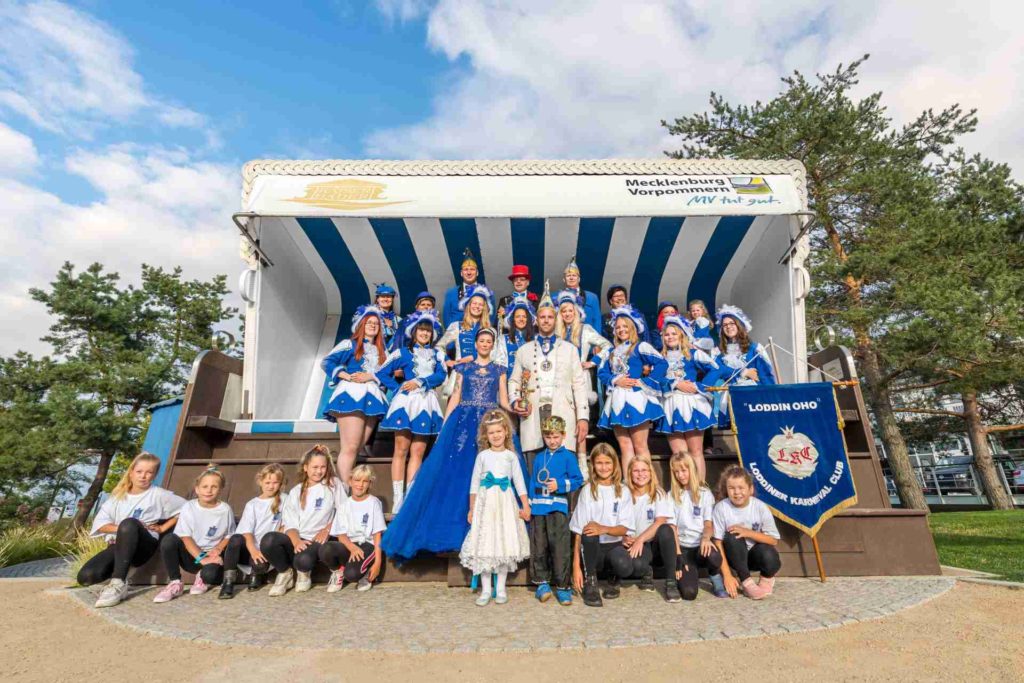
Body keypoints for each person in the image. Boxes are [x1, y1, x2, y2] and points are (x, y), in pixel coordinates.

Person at [382, 327, 517, 563]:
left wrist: (517, 410)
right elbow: (455, 395)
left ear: (493, 345)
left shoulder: (500, 370)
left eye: (489, 341)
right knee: (456, 474)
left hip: (488, 422)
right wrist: (446, 425)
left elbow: (504, 400)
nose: (485, 344)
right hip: (463, 422)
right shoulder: (463, 367)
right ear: (476, 344)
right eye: (482, 341)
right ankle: (452, 532)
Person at [77, 452, 185, 608]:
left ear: (154, 475)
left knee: (129, 524)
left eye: (149, 473)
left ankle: (118, 584)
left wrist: (163, 527)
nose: (143, 476)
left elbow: (189, 508)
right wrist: (123, 530)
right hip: (118, 546)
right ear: (131, 472)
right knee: (86, 577)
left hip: (144, 547)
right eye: (139, 472)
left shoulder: (159, 495)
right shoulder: (117, 497)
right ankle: (121, 576)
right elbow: (101, 524)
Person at [508, 285, 590, 471]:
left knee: (562, 469)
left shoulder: (570, 350)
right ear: (537, 320)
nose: (546, 321)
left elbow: (579, 385)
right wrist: (516, 401)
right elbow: (514, 381)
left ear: (556, 319)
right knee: (534, 467)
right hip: (533, 412)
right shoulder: (523, 350)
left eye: (550, 317)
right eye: (543, 317)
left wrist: (583, 417)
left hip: (562, 410)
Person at [376, 311, 448, 514]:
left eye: (428, 330)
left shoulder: (437, 355)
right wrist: (397, 387)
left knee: (418, 451)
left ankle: (410, 496)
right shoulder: (402, 353)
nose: (425, 333)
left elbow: (441, 375)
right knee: (401, 449)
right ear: (414, 331)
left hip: (427, 402)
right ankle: (398, 496)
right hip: (407, 403)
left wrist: (421, 382)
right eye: (422, 330)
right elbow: (382, 372)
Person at [460, 410, 531, 606]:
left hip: (505, 503)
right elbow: (474, 484)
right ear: (486, 435)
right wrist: (472, 508)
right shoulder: (483, 456)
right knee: (485, 543)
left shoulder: (511, 457)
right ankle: (485, 589)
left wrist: (525, 505)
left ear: (506, 432)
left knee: (503, 542)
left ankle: (500, 588)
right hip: (486, 503)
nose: (496, 436)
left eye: (499, 431)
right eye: (491, 433)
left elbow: (519, 483)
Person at [260, 445, 348, 596]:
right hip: (297, 538)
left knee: (303, 561)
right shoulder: (296, 491)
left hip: (315, 539)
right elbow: (290, 523)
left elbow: (344, 510)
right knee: (269, 540)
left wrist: (327, 529)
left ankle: (304, 573)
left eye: (323, 467)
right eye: (314, 467)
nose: (319, 471)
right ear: (305, 467)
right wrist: (296, 542)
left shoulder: (332, 484)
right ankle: (285, 573)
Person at [322, 305, 389, 483]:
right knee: (350, 447)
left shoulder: (383, 351)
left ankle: (351, 489)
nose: (373, 325)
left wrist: (372, 376)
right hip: (352, 394)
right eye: (369, 322)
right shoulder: (349, 344)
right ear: (361, 324)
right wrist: (345, 375)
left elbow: (388, 374)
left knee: (359, 446)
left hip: (373, 398)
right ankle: (342, 493)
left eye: (376, 323)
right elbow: (327, 362)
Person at [597, 305, 667, 474]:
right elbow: (602, 373)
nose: (621, 330)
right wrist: (616, 380)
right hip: (617, 401)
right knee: (625, 446)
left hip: (637, 399)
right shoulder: (611, 352)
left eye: (625, 326)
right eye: (618, 327)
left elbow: (662, 363)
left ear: (633, 327)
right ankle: (629, 486)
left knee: (640, 446)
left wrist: (645, 382)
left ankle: (646, 485)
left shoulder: (641, 346)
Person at [153, 466, 235, 603]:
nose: (209, 490)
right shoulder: (189, 507)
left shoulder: (225, 510)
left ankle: (201, 578)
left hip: (211, 556)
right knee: (169, 540)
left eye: (214, 487)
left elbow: (229, 535)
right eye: (205, 486)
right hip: (193, 556)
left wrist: (218, 549)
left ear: (221, 489)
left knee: (211, 576)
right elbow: (185, 537)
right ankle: (175, 582)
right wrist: (202, 558)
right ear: (197, 489)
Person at [527, 415, 584, 606]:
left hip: (558, 507)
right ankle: (542, 583)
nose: (552, 441)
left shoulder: (568, 456)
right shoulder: (538, 458)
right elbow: (533, 482)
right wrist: (529, 504)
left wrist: (558, 484)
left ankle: (562, 586)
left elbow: (577, 480)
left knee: (560, 547)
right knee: (539, 546)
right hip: (539, 508)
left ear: (563, 436)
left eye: (556, 437)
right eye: (548, 437)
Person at [571, 443, 635, 608]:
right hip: (593, 548)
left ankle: (613, 578)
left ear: (615, 464)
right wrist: (575, 567)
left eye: (608, 463)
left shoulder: (623, 490)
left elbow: (624, 527)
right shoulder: (587, 490)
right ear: (593, 464)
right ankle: (591, 582)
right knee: (589, 532)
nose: (604, 467)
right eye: (599, 463)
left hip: (614, 545)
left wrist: (604, 528)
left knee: (625, 566)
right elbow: (578, 532)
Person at [658, 315, 720, 482]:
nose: (670, 337)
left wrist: (700, 387)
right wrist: (675, 384)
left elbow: (716, 369)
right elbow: (656, 380)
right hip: (671, 406)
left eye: (674, 334)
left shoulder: (693, 354)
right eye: (667, 334)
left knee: (696, 452)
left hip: (692, 404)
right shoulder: (659, 358)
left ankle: (699, 490)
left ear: (681, 336)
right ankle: (683, 493)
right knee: (679, 455)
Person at [218, 463, 288, 598]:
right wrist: (253, 550)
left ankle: (256, 575)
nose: (271, 486)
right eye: (267, 482)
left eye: (275, 482)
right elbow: (246, 531)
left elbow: (284, 526)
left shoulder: (285, 499)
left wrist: (265, 549)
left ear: (280, 484)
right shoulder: (252, 504)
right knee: (235, 539)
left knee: (260, 565)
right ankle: (228, 581)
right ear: (260, 482)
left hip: (267, 549)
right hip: (250, 549)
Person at [713, 465, 782, 600]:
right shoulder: (721, 508)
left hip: (753, 556)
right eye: (731, 488)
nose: (737, 492)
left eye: (741, 488)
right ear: (726, 490)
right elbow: (717, 542)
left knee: (769, 553)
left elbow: (774, 540)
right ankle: (746, 582)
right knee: (732, 533)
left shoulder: (760, 507)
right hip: (734, 558)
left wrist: (748, 533)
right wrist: (727, 575)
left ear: (750, 489)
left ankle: (767, 579)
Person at [319, 464, 387, 593]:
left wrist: (377, 563)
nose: (360, 485)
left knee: (352, 575)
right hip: (350, 545)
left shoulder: (374, 503)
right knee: (325, 548)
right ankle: (338, 572)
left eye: (365, 481)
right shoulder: (344, 505)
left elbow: (377, 535)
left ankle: (366, 576)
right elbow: (341, 535)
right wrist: (352, 547)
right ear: (350, 481)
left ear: (370, 484)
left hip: (367, 545)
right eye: (357, 480)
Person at [668, 451, 725, 600]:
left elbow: (708, 523)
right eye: (676, 472)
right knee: (689, 593)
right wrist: (678, 554)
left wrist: (706, 538)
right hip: (683, 548)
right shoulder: (671, 495)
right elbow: (672, 527)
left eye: (684, 470)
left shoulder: (705, 493)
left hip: (700, 545)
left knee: (714, 557)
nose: (680, 475)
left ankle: (714, 575)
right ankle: (688, 575)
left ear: (692, 469)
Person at [623, 456, 680, 602]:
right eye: (636, 471)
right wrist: (623, 537)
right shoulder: (623, 493)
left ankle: (671, 582)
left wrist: (641, 539)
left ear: (650, 472)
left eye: (644, 470)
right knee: (636, 566)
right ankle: (646, 571)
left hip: (652, 543)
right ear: (629, 473)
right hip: (631, 541)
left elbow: (660, 521)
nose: (640, 474)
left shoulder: (658, 493)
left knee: (666, 529)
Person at [712, 305, 777, 429]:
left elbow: (765, 376)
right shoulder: (717, 352)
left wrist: (771, 399)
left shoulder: (755, 348)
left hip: (754, 396)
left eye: (731, 323)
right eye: (724, 325)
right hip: (730, 397)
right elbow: (719, 372)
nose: (728, 327)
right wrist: (744, 372)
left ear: (739, 325)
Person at [436, 283, 494, 399]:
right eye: (474, 303)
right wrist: (447, 360)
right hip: (460, 375)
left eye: (480, 304)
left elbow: (495, 354)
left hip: (483, 376)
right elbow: (439, 346)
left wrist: (472, 358)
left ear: (485, 308)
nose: (477, 306)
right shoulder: (456, 326)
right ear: (468, 305)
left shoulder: (491, 330)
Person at [554, 288, 610, 407]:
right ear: (560, 314)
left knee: (581, 414)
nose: (568, 314)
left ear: (576, 312)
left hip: (580, 378)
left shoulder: (585, 329)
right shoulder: (556, 333)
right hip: (560, 379)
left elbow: (608, 346)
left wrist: (593, 362)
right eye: (564, 311)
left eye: (570, 310)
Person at [442, 248, 496, 326]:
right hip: (456, 335)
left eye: (472, 269)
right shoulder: (451, 293)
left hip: (479, 335)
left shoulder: (488, 293)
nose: (469, 272)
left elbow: (491, 318)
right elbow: (446, 320)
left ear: (477, 273)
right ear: (461, 273)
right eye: (466, 269)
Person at [495, 299, 536, 377]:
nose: (521, 319)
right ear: (512, 319)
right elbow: (499, 366)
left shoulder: (536, 339)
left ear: (528, 319)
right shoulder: (503, 339)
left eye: (524, 316)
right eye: (518, 317)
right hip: (510, 384)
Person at [561, 257, 601, 334]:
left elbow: (597, 321)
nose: (571, 278)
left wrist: (597, 342)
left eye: (574, 275)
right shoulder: (556, 297)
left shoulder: (592, 297)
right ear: (564, 279)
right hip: (565, 339)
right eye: (568, 276)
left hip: (587, 339)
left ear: (579, 279)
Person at [497, 264, 539, 330]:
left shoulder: (537, 299)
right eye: (516, 280)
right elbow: (499, 323)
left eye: (522, 279)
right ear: (513, 283)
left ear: (528, 282)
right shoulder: (504, 301)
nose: (518, 281)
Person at [374, 283, 402, 351]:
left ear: (392, 299)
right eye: (383, 296)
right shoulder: (371, 316)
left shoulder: (399, 320)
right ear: (377, 299)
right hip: (376, 354)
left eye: (389, 296)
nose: (386, 299)